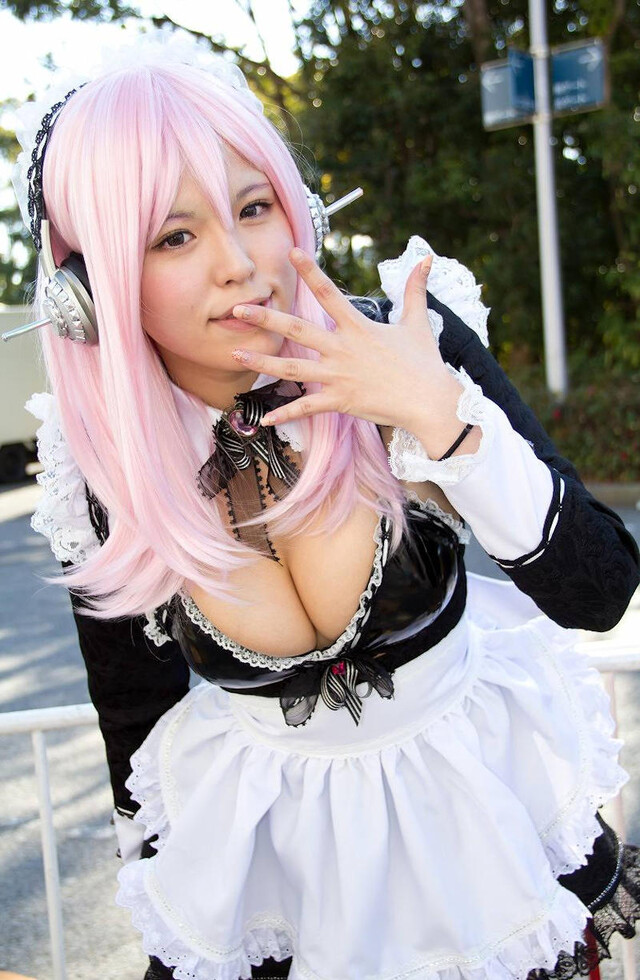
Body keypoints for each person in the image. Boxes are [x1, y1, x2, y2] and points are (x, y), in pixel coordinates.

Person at [11, 31, 640, 980]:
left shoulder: (406, 340)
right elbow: (135, 722)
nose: (239, 263)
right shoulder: (103, 464)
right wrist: (174, 929)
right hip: (279, 902)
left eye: (253, 207)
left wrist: (439, 418)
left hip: (492, 861)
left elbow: (598, 591)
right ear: (89, 290)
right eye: (174, 236)